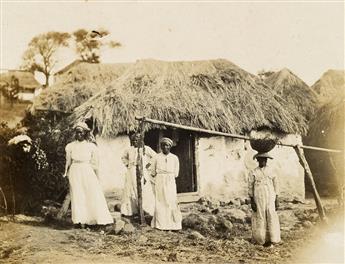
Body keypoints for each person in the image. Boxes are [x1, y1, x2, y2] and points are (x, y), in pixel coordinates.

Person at [63, 122, 113, 228]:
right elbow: (68, 162)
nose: (78, 134)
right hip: (75, 171)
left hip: (87, 171)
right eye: (77, 132)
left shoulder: (91, 147)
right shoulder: (70, 146)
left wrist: (95, 175)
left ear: (85, 133)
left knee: (91, 193)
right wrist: (66, 173)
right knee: (77, 195)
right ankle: (80, 221)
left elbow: (95, 163)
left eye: (80, 132)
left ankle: (96, 219)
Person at [248, 152, 281, 246]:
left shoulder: (272, 171)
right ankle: (260, 239)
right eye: (261, 160)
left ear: (267, 160)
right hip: (259, 196)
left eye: (265, 160)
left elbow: (276, 185)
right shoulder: (253, 172)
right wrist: (252, 200)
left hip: (270, 196)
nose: (263, 161)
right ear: (258, 161)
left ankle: (273, 238)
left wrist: (277, 199)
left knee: (271, 213)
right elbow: (250, 187)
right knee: (260, 214)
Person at [121, 133, 156, 216]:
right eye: (134, 140)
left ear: (141, 140)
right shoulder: (129, 150)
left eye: (137, 140)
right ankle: (132, 210)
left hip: (142, 170)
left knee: (144, 189)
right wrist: (127, 164)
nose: (135, 142)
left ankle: (145, 209)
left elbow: (155, 157)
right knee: (131, 189)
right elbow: (123, 157)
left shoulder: (146, 149)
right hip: (131, 171)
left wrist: (147, 166)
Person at [151, 137, 182, 230]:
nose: (165, 147)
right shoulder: (156, 157)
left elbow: (176, 173)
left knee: (171, 200)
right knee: (160, 201)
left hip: (170, 180)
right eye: (163, 145)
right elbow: (152, 171)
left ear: (170, 147)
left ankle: (173, 225)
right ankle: (160, 225)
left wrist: (169, 176)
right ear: (160, 146)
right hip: (160, 180)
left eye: (167, 145)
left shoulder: (174, 158)